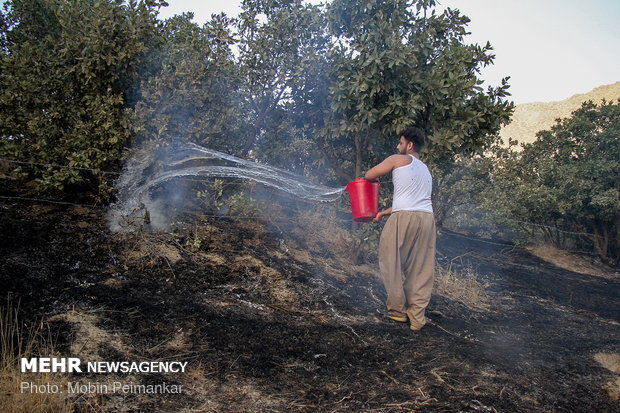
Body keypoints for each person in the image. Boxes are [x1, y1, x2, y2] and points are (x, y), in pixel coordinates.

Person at [364, 127, 436, 331]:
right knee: (421, 268)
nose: (397, 146)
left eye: (400, 142)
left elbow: (369, 175)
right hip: (426, 219)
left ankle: (397, 310)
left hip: (404, 218)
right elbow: (411, 200)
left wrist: (374, 177)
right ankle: (417, 318)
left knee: (390, 259)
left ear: (409, 145)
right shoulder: (425, 170)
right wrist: (383, 213)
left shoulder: (398, 159)